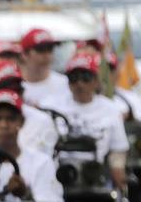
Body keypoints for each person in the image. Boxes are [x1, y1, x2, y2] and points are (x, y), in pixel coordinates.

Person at [47, 52, 129, 189]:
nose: (80, 84)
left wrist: (120, 182)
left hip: (94, 173)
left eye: (86, 78)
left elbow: (118, 150)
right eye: (74, 78)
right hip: (59, 174)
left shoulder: (111, 109)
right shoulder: (52, 107)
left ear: (96, 81)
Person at [20, 28, 71, 109]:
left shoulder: (64, 83)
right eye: (41, 49)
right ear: (25, 54)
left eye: (50, 49)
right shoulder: (15, 84)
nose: (46, 54)